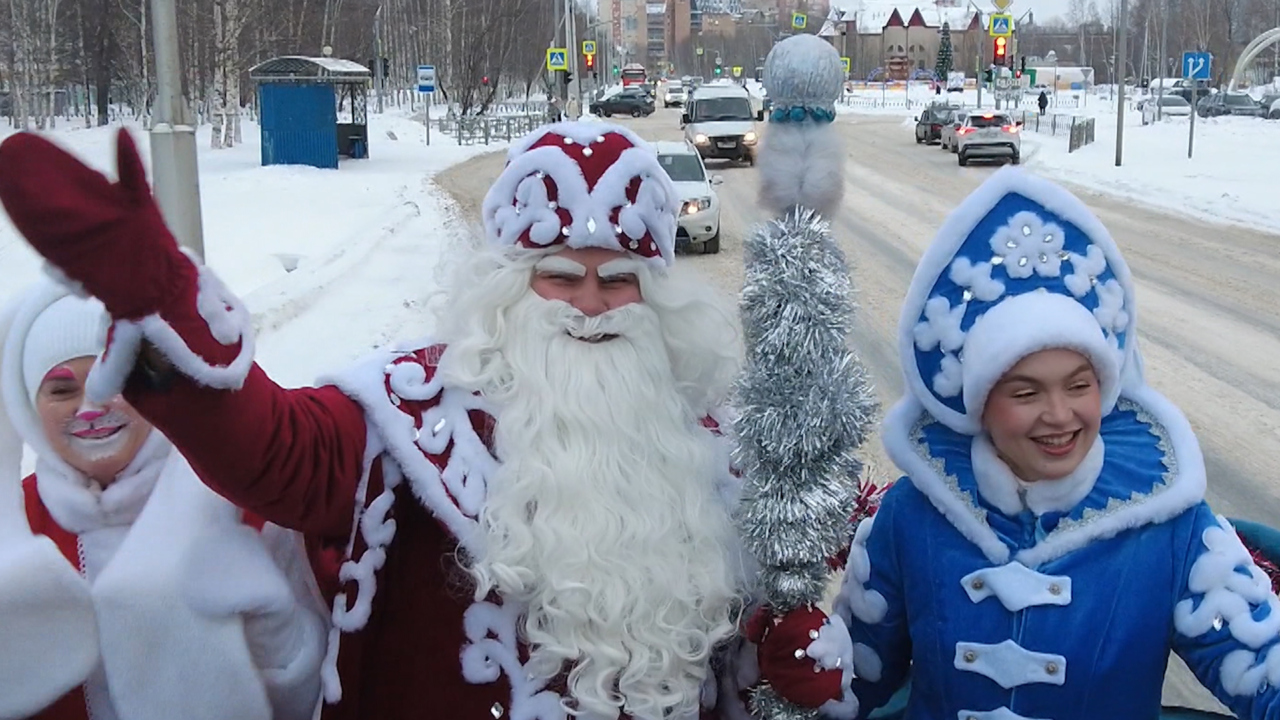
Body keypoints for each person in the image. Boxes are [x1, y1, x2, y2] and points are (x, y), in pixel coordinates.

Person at [0, 122, 824, 720]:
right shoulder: (412, 411)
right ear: (504, 286)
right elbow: (276, 452)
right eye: (561, 275)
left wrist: (789, 661)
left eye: (620, 282)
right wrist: (171, 302)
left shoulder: (704, 443)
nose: (590, 306)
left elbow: (739, 642)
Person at [764, 168, 1280, 719]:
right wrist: (809, 668)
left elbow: (1262, 675)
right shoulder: (910, 516)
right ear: (981, 403)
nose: (1060, 415)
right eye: (1026, 391)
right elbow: (859, 686)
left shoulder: (1171, 527)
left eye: (1079, 386)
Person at [0, 282, 327, 720]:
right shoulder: (16, 530)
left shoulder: (237, 495)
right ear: (29, 406)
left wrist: (278, 637)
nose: (91, 408)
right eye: (61, 391)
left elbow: (315, 703)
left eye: (110, 379)